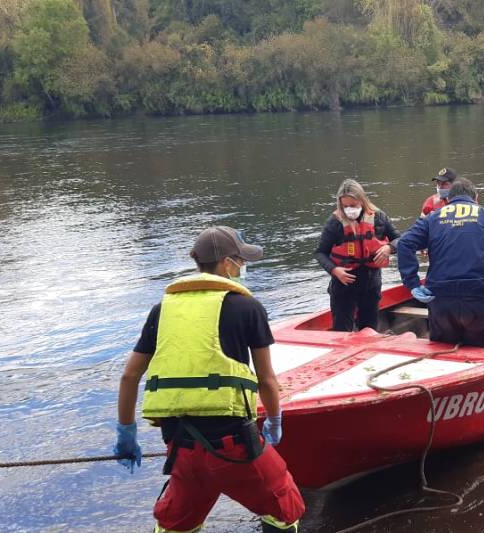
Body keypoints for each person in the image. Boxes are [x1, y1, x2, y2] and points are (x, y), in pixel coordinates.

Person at [113, 226, 305, 533]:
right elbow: (267, 380)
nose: (243, 267)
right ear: (227, 263)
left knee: (175, 521)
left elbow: (129, 375)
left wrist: (126, 432)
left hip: (180, 446)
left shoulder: (162, 310)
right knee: (285, 505)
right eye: (241, 261)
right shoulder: (248, 307)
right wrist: (274, 420)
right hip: (235, 445)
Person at [397, 178, 484, 348]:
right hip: (480, 295)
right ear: (476, 198)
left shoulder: (431, 219)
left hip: (440, 296)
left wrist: (412, 283)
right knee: (482, 350)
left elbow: (404, 244)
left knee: (442, 348)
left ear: (448, 199)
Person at [315, 179, 401, 332]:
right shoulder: (334, 223)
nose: (349, 209)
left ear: (362, 201)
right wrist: (335, 270)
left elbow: (399, 240)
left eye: (353, 205)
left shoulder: (379, 218)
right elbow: (320, 252)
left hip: (371, 284)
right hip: (343, 285)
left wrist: (389, 247)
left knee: (369, 330)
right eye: (345, 206)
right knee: (342, 331)